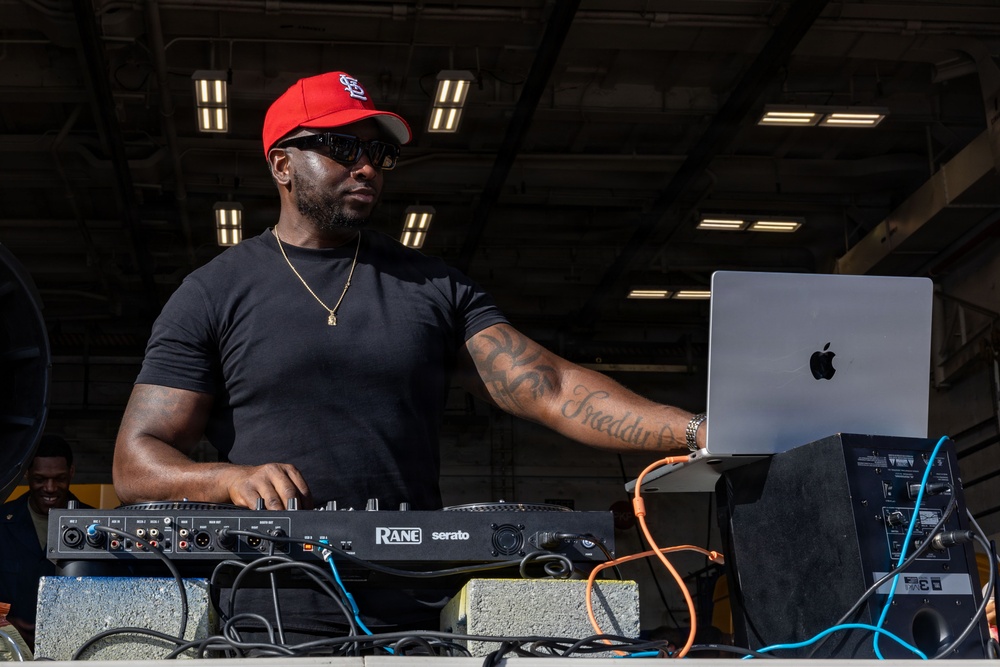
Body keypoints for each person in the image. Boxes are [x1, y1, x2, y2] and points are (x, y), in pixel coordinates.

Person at [112, 70, 706, 637]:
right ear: (282, 164)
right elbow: (135, 462)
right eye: (343, 147)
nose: (367, 166)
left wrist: (698, 431)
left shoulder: (433, 286)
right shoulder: (213, 292)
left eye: (379, 154)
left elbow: (546, 386)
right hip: (269, 604)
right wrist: (228, 480)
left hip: (419, 601)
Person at [0, 435, 88, 650]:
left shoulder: (95, 524)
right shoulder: (1, 521)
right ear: (27, 474)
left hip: (74, 647)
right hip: (9, 647)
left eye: (59, 478)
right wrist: (5, 621)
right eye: (40, 479)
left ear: (72, 473)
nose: (50, 488)